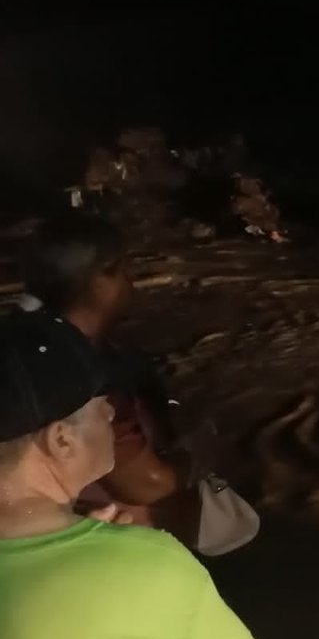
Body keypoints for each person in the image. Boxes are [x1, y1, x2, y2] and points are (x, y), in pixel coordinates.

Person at [0, 310, 267, 639]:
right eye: (102, 405)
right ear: (60, 439)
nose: (112, 415)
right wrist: (117, 560)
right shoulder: (150, 569)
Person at [21, 211, 206, 547]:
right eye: (123, 271)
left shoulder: (25, 344)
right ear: (99, 281)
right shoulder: (81, 371)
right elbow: (146, 484)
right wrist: (196, 457)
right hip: (95, 543)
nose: (129, 283)